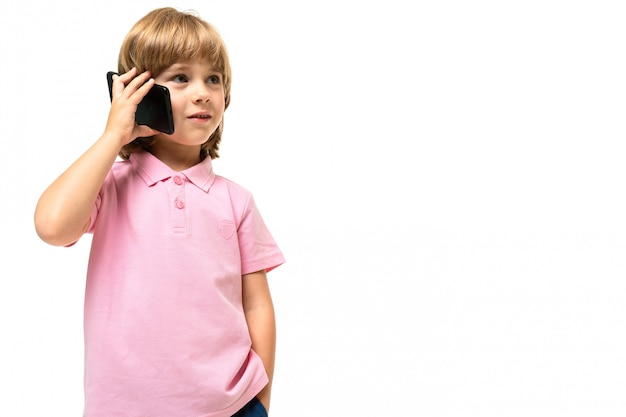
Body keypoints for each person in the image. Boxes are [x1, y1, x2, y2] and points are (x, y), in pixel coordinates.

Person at [34, 7, 284, 417]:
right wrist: (114, 134)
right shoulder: (110, 185)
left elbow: (257, 304)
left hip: (232, 404)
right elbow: (52, 226)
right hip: (124, 407)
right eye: (181, 77)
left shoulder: (236, 200)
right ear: (139, 90)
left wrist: (261, 398)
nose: (203, 91)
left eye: (214, 78)